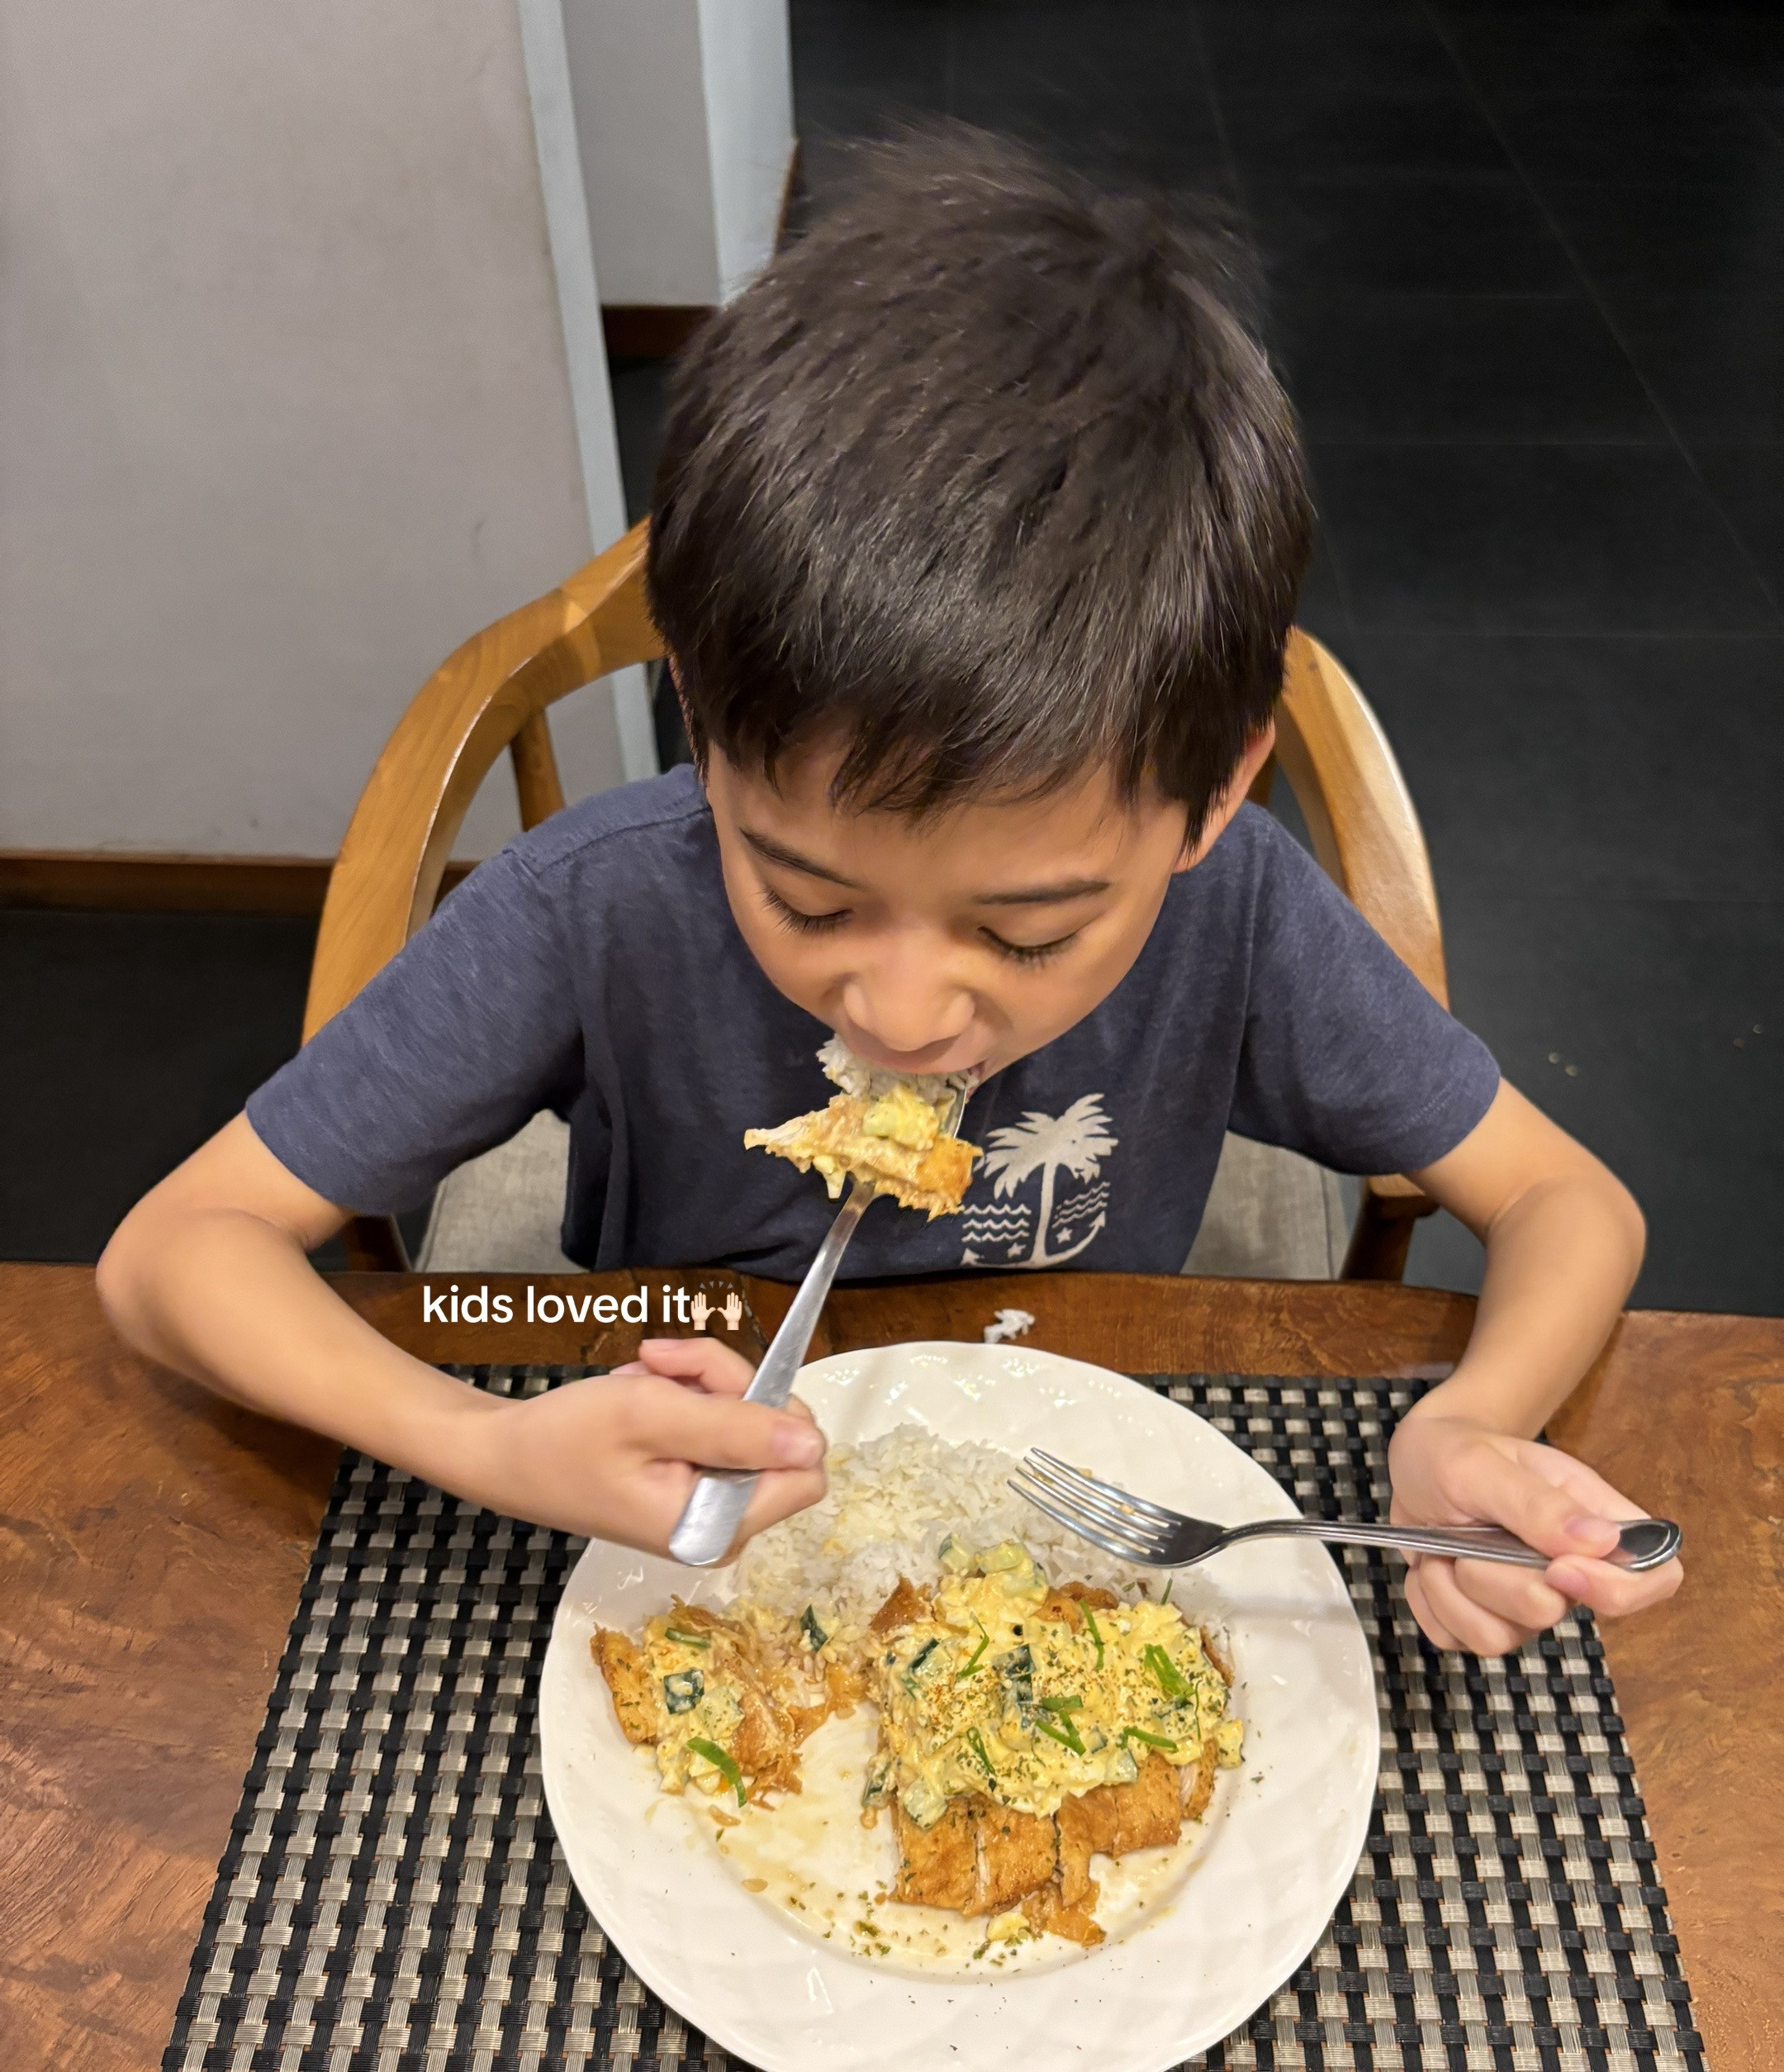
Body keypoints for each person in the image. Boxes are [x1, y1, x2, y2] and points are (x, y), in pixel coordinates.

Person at [97, 130, 1681, 1656]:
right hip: (683, 1460)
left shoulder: (1242, 916)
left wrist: (1465, 1424)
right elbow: (172, 1258)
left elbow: (1569, 1205)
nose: (905, 1010)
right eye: (805, 899)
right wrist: (491, 1445)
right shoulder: (596, 910)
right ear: (708, 744)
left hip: (1081, 1464)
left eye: (1029, 932)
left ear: (1211, 797)